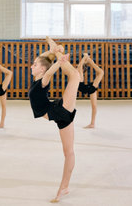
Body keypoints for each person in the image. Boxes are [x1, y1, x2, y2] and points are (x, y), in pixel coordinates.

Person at [29, 36, 80, 203]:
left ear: (41, 70)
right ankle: (64, 187)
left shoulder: (43, 80)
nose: (31, 65)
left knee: (75, 76)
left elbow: (49, 71)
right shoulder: (36, 79)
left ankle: (62, 188)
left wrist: (59, 60)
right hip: (58, 115)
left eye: (35, 65)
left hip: (60, 111)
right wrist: (52, 49)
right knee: (68, 152)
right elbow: (42, 61)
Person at [77, 53, 104, 128]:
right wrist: (86, 58)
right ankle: (92, 123)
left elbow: (79, 66)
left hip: (88, 88)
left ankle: (92, 123)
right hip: (88, 88)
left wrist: (85, 58)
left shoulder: (80, 72)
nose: (78, 67)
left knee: (94, 106)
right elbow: (79, 66)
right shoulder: (78, 74)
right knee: (101, 72)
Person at [0, 62, 13, 129]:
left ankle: (2, 123)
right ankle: (1, 124)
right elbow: (9, 72)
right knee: (10, 73)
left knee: (4, 107)